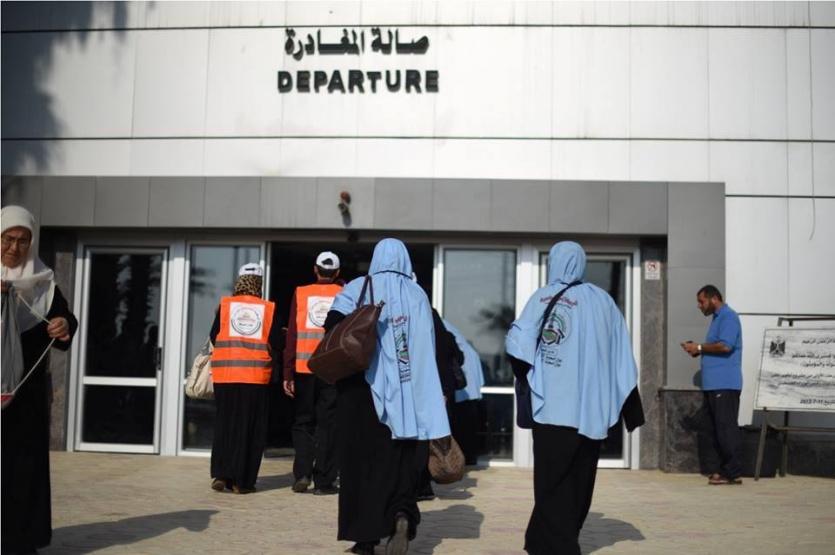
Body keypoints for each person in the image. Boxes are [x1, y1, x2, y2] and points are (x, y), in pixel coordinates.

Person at [506, 241, 644, 555]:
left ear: (554, 262)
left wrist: (529, 376)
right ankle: (547, 541)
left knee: (551, 482)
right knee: (581, 481)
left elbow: (518, 347)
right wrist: (627, 406)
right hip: (591, 412)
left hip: (552, 409)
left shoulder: (542, 297)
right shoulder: (603, 301)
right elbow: (622, 357)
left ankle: (559, 546)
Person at [325, 238, 449, 555]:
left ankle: (364, 538)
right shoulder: (417, 294)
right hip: (406, 395)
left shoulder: (358, 287)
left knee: (359, 464)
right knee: (399, 462)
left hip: (361, 391)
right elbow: (431, 346)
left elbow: (331, 326)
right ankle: (400, 513)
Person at [1, 205, 78, 555]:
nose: (14, 248)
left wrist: (63, 325)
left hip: (25, 396)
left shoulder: (44, 283)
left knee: (22, 468)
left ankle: (19, 541)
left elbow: (65, 319)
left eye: (23, 241)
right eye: (7, 239)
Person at [208, 263, 282, 494]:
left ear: (239, 281)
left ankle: (221, 474)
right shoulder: (267, 309)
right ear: (259, 284)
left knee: (225, 424)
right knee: (250, 428)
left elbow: (214, 336)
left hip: (225, 375)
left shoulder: (226, 306)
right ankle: (242, 481)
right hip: (254, 377)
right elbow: (277, 343)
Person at [282, 251, 343, 495]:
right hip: (332, 368)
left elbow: (292, 335)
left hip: (304, 367)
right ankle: (324, 481)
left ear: (315, 269)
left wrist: (287, 372)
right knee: (329, 424)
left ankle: (303, 473)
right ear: (337, 273)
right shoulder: (345, 293)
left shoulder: (301, 292)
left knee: (303, 422)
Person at [681, 284, 743, 486]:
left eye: (701, 301)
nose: (699, 306)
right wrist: (698, 350)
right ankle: (721, 469)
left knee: (726, 428)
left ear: (713, 298)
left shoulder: (728, 317)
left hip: (725, 384)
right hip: (714, 385)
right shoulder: (718, 318)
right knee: (714, 429)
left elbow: (725, 346)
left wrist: (699, 347)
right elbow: (716, 347)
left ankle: (732, 472)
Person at [444, 318, 485, 467]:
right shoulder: (447, 327)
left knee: (463, 425)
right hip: (466, 381)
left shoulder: (439, 326)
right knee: (467, 424)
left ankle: (464, 460)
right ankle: (468, 458)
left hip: (463, 382)